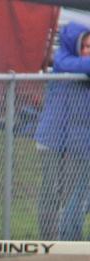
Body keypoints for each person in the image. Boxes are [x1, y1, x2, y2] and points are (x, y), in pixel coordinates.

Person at [34, 22, 90, 241]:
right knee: (51, 191)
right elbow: (71, 63)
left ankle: (69, 240)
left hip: (79, 144)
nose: (87, 51)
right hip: (52, 141)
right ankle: (48, 241)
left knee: (72, 195)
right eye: (84, 46)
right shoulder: (63, 61)